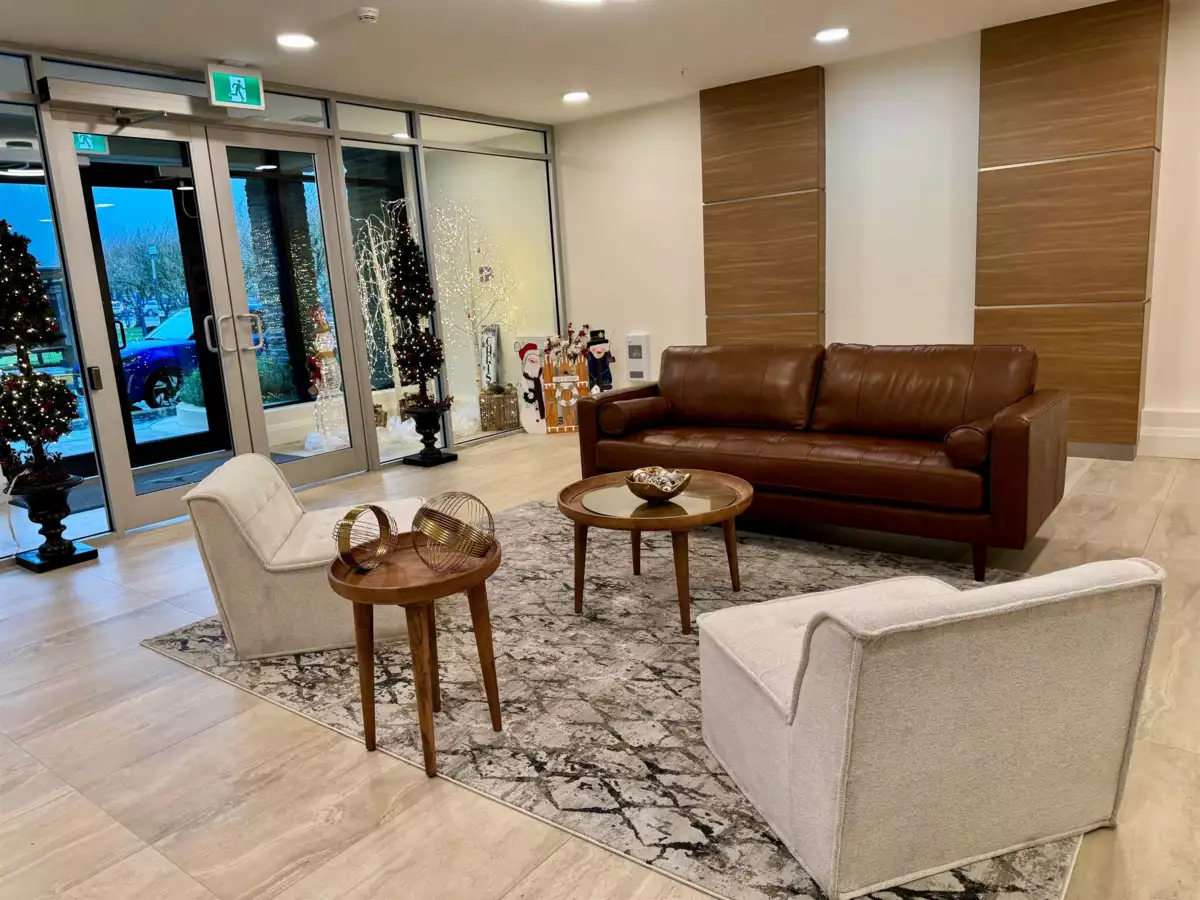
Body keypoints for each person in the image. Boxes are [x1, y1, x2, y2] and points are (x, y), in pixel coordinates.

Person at [586, 329, 615, 394]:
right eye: (596, 347)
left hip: (605, 382)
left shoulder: (606, 354)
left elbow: (612, 360)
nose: (599, 350)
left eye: (601, 347)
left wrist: (609, 358)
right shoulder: (589, 357)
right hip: (593, 384)